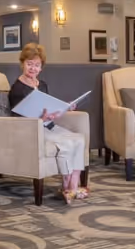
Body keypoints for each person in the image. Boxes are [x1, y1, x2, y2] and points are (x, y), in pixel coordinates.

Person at [7, 43, 88, 204]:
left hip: (49, 126)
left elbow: (48, 108)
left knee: (79, 139)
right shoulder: (17, 88)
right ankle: (67, 186)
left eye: (37, 65)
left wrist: (64, 108)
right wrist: (40, 120)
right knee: (66, 143)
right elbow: (17, 118)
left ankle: (73, 186)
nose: (33, 68)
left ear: (41, 67)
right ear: (22, 63)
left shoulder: (42, 85)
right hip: (33, 129)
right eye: (29, 64)